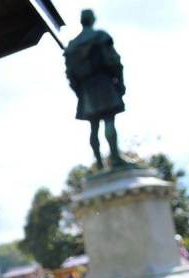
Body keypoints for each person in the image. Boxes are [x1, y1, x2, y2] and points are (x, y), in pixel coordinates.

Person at [64, 9, 126, 170]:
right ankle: (115, 158)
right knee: (109, 120)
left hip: (86, 90)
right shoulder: (100, 37)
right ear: (92, 19)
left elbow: (70, 75)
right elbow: (113, 60)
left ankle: (99, 163)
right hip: (103, 83)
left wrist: (79, 92)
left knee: (94, 127)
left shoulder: (72, 46)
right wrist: (119, 82)